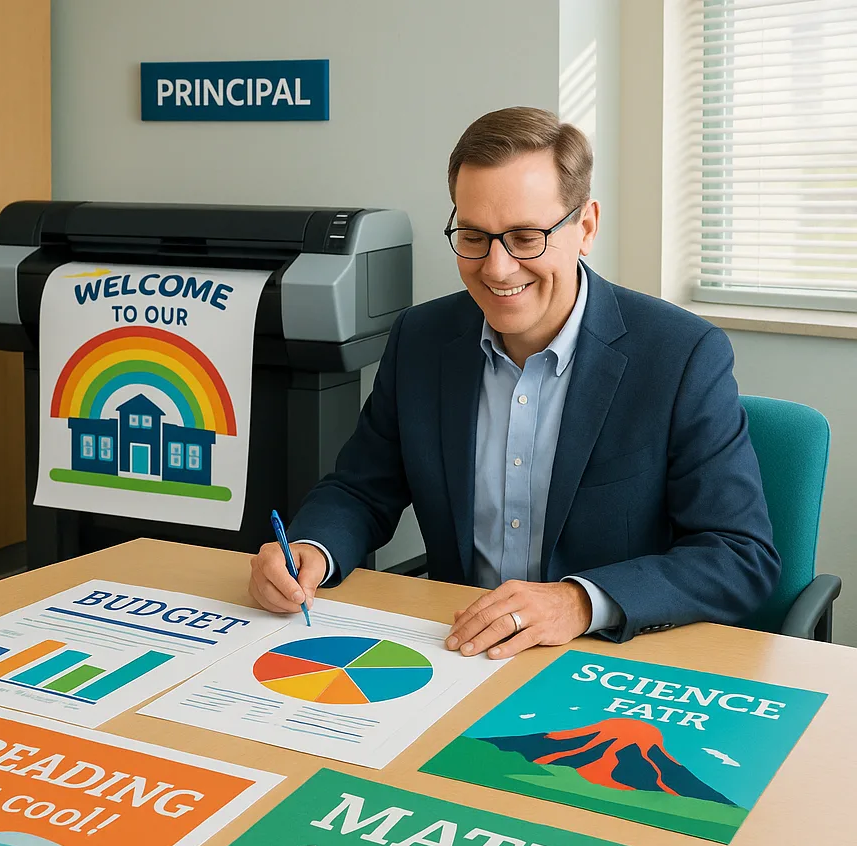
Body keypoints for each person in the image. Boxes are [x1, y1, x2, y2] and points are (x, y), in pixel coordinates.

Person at [249, 106, 779, 659]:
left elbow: (738, 556)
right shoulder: (421, 339)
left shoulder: (680, 354)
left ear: (586, 227)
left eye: (526, 237)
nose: (497, 268)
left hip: (606, 657)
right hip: (456, 649)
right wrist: (311, 548)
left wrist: (580, 601)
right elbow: (361, 488)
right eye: (473, 236)